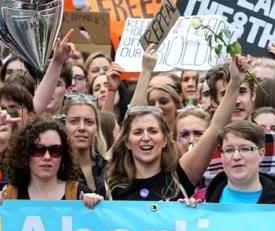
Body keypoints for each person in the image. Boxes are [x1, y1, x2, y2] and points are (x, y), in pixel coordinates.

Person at [81, 55, 249, 207]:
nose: (146, 138)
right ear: (127, 142)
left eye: (153, 131)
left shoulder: (181, 176)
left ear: (165, 139)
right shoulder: (112, 187)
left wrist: (234, 84)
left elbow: (215, 129)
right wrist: (91, 204)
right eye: (138, 132)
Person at [0, 116, 95, 206]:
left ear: (63, 154)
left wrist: (98, 207)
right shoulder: (8, 196)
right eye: (38, 149)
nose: (47, 157)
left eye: (55, 150)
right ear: (25, 153)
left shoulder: (80, 195)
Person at [203, 120, 275, 204]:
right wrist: (189, 211)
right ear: (221, 155)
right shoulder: (201, 199)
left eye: (245, 149)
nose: (236, 157)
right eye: (229, 150)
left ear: (261, 154)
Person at [59, 93, 108, 196]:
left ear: (97, 128)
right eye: (74, 121)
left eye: (89, 122)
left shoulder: (109, 168)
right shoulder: (56, 170)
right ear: (63, 126)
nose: (82, 128)